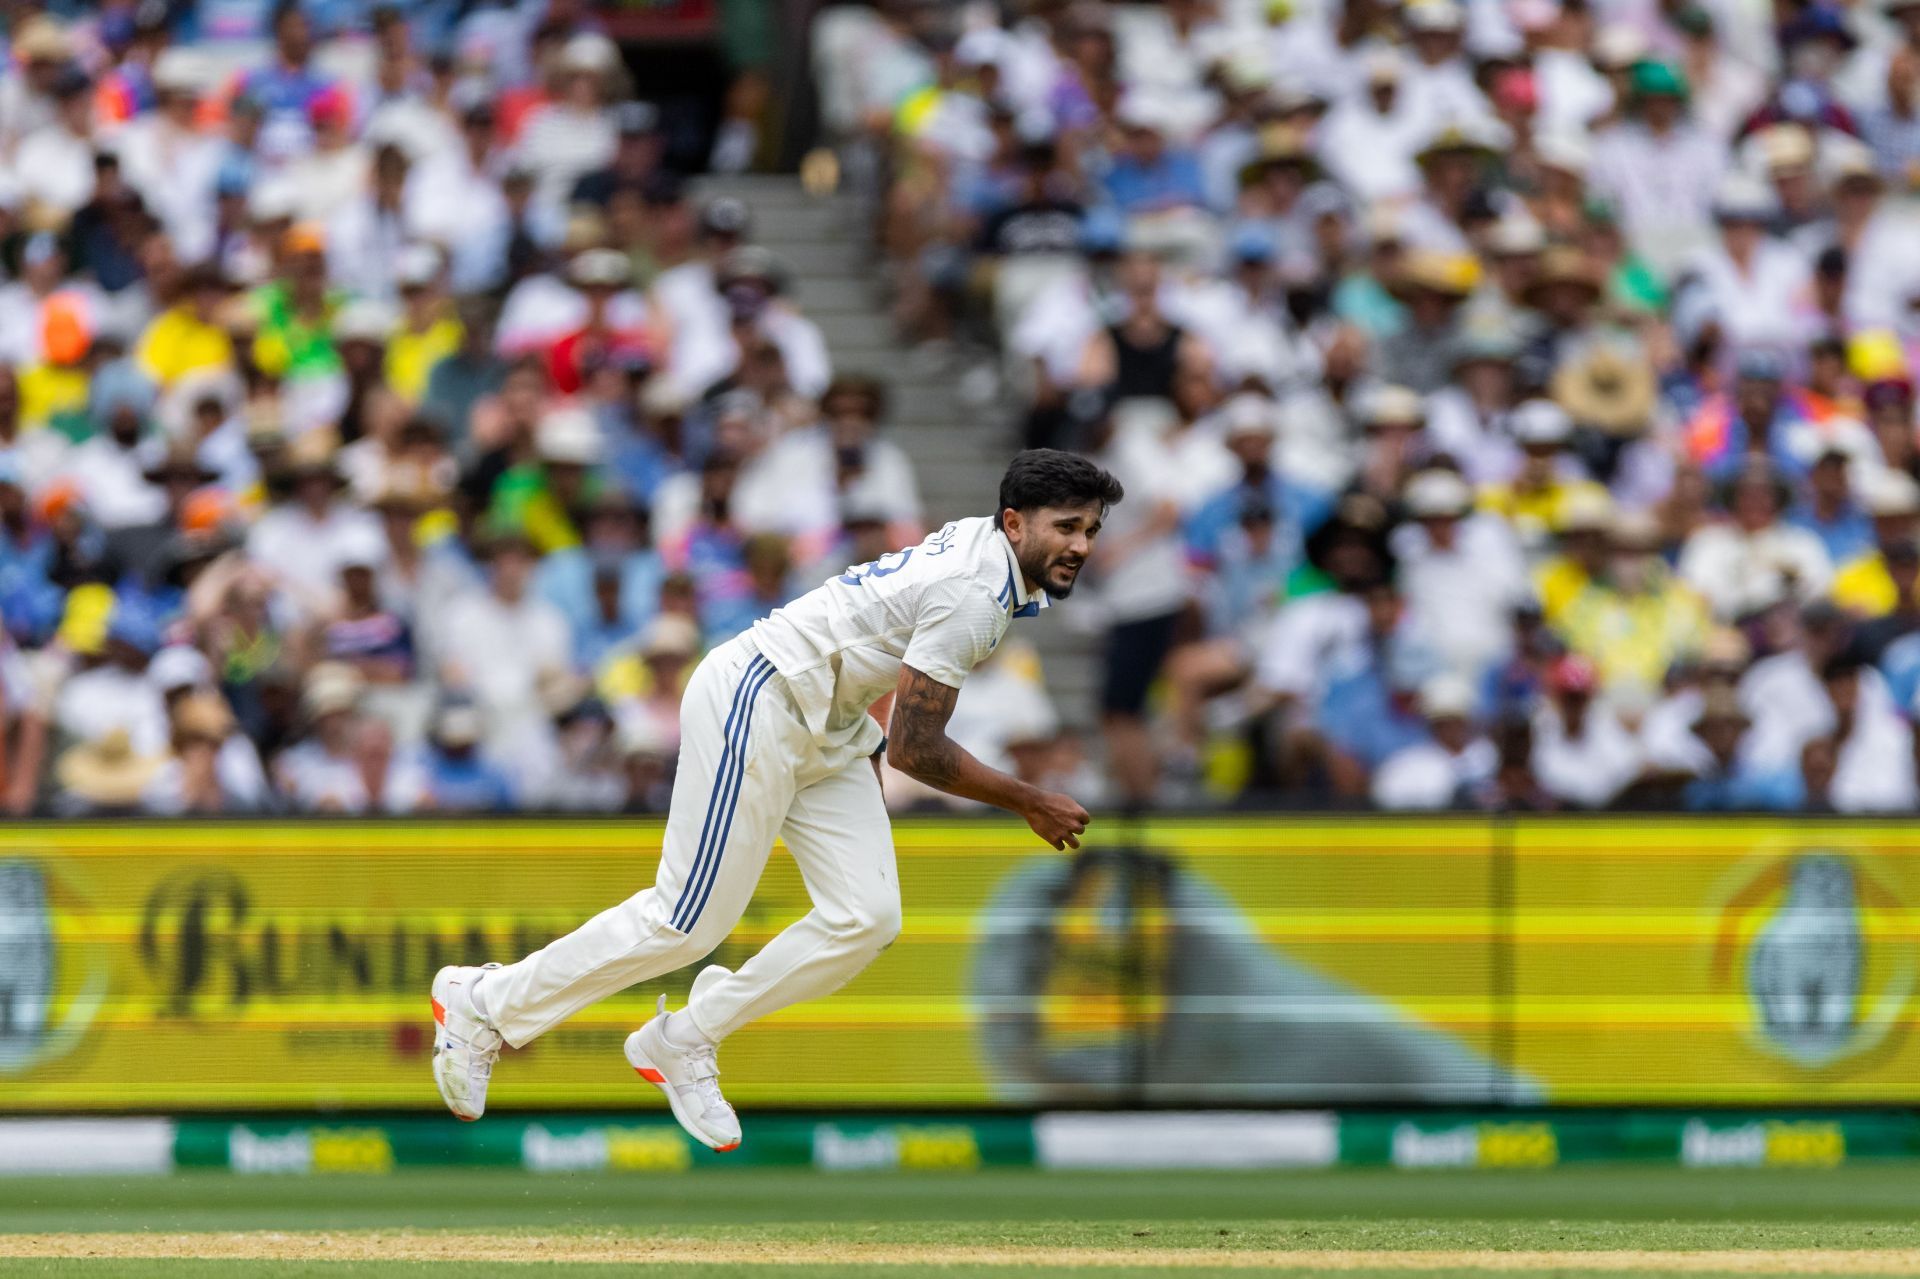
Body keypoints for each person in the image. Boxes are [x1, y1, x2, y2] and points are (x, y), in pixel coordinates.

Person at [429, 450, 1121, 1150]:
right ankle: (481, 1003)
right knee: (686, 921)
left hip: (833, 721)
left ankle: (685, 1038)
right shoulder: (976, 589)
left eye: (1090, 530)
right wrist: (1029, 799)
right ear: (1012, 521)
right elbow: (918, 746)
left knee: (866, 915)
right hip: (761, 696)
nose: (1080, 546)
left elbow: (877, 660)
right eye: (1067, 526)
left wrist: (866, 757)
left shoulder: (990, 561)